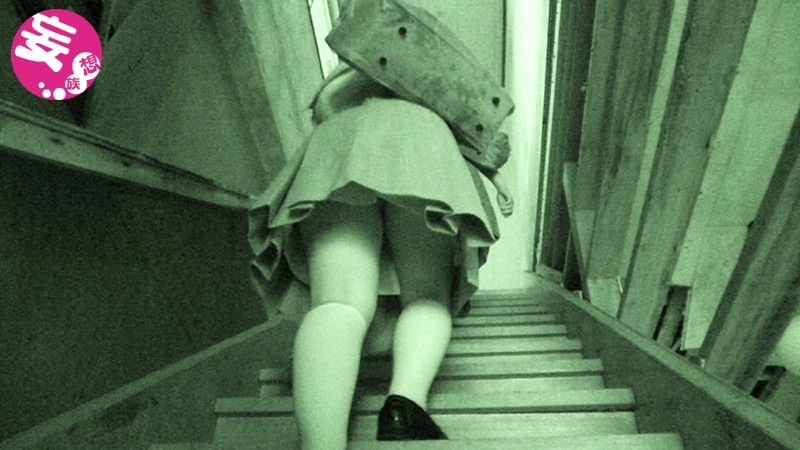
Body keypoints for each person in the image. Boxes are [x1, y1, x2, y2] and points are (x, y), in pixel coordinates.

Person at [248, 63, 513, 450]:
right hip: (423, 140)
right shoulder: (435, 83)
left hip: (337, 141)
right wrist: (497, 180)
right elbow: (479, 139)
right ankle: (404, 407)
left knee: (338, 300)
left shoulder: (353, 71)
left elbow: (322, 108)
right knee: (425, 295)